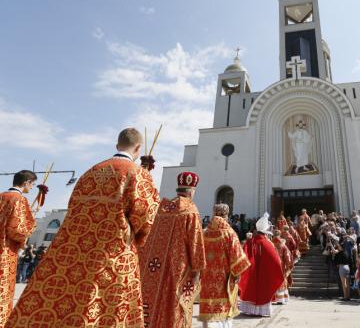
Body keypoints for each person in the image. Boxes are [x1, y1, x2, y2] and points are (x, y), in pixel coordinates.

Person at [7, 128, 160, 327]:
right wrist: (138, 238)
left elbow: (73, 206)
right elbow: (146, 215)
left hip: (72, 253)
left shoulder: (91, 171)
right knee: (104, 306)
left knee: (67, 302)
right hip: (110, 253)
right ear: (138, 148)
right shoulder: (137, 173)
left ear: (117, 145)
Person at [139, 172, 206, 328]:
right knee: (173, 305)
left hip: (151, 267)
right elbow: (196, 241)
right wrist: (197, 269)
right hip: (176, 269)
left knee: (152, 301)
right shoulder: (190, 209)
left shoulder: (161, 207)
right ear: (191, 191)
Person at [199, 204, 251, 328]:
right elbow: (237, 258)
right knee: (223, 310)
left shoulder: (204, 232)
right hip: (224, 280)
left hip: (206, 279)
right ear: (226, 215)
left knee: (208, 310)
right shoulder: (229, 233)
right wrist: (237, 274)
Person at [0, 170, 37, 327]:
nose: (32, 187)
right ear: (26, 182)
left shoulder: (1, 196)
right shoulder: (19, 200)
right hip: (5, 250)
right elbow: (18, 230)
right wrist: (31, 223)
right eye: (32, 184)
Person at [239, 213, 284, 317]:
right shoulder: (266, 243)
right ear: (265, 232)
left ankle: (250, 310)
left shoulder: (251, 241)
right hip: (263, 274)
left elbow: (245, 254)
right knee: (262, 291)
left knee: (252, 290)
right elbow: (275, 260)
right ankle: (261, 311)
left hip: (252, 274)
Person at [272, 231, 293, 305]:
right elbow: (287, 256)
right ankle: (281, 299)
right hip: (281, 266)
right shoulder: (282, 245)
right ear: (280, 235)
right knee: (281, 280)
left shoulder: (270, 244)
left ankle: (273, 298)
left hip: (272, 266)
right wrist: (288, 266)